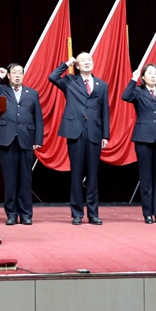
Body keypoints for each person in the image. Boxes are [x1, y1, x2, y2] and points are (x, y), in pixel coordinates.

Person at [48, 53, 109, 225]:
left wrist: (105, 135)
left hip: (94, 132)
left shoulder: (102, 85)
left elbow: (105, 111)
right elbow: (52, 77)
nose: (87, 62)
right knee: (76, 174)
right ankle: (77, 213)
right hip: (75, 131)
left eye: (89, 60)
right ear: (77, 65)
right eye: (83, 60)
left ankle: (93, 214)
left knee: (93, 175)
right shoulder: (69, 81)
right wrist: (66, 63)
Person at [0, 63, 43, 225]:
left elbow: (38, 118)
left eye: (20, 73)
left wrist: (38, 140)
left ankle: (26, 214)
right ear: (9, 76)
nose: (17, 75)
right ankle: (11, 214)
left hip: (26, 139)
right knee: (10, 179)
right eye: (14, 73)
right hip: (7, 139)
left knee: (25, 179)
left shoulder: (32, 93)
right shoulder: (1, 90)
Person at [121, 64, 156, 224]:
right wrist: (133, 79)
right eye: (149, 73)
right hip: (143, 137)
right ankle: (147, 214)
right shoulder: (138, 91)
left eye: (155, 73)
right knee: (145, 176)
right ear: (143, 77)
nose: (153, 76)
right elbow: (125, 96)